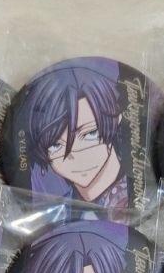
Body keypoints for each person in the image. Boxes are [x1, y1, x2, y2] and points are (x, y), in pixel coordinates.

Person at [24, 65, 128, 208]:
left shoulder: (139, 196)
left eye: (90, 133)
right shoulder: (59, 210)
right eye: (56, 145)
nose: (74, 157)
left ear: (116, 119)